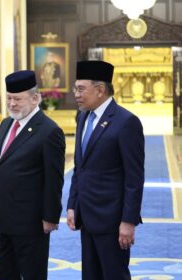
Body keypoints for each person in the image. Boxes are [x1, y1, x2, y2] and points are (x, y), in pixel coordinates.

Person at [67, 60, 144, 280]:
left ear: (101, 90)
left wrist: (128, 221)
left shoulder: (126, 122)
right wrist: (73, 204)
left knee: (114, 275)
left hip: (112, 220)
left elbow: (134, 177)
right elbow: (79, 167)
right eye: (75, 89)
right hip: (86, 216)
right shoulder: (83, 117)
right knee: (90, 275)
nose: (76, 94)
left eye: (81, 89)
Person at [0, 70, 65, 280]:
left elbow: (54, 179)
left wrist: (50, 217)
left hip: (29, 223)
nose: (12, 104)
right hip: (2, 220)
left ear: (35, 98)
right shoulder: (6, 124)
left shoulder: (49, 131)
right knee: (5, 272)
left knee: (32, 274)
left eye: (18, 99)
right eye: (9, 98)